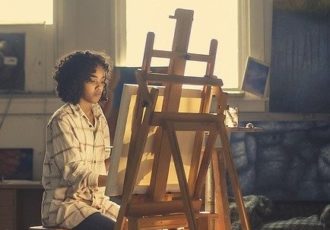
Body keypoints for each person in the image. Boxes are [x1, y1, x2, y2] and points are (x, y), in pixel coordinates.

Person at [41, 50, 119, 230]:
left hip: (96, 202)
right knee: (114, 228)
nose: (99, 87)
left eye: (102, 81)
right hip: (66, 206)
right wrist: (114, 180)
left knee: (135, 223)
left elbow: (102, 163)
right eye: (92, 81)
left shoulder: (99, 115)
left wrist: (123, 157)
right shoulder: (62, 119)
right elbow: (74, 173)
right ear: (76, 81)